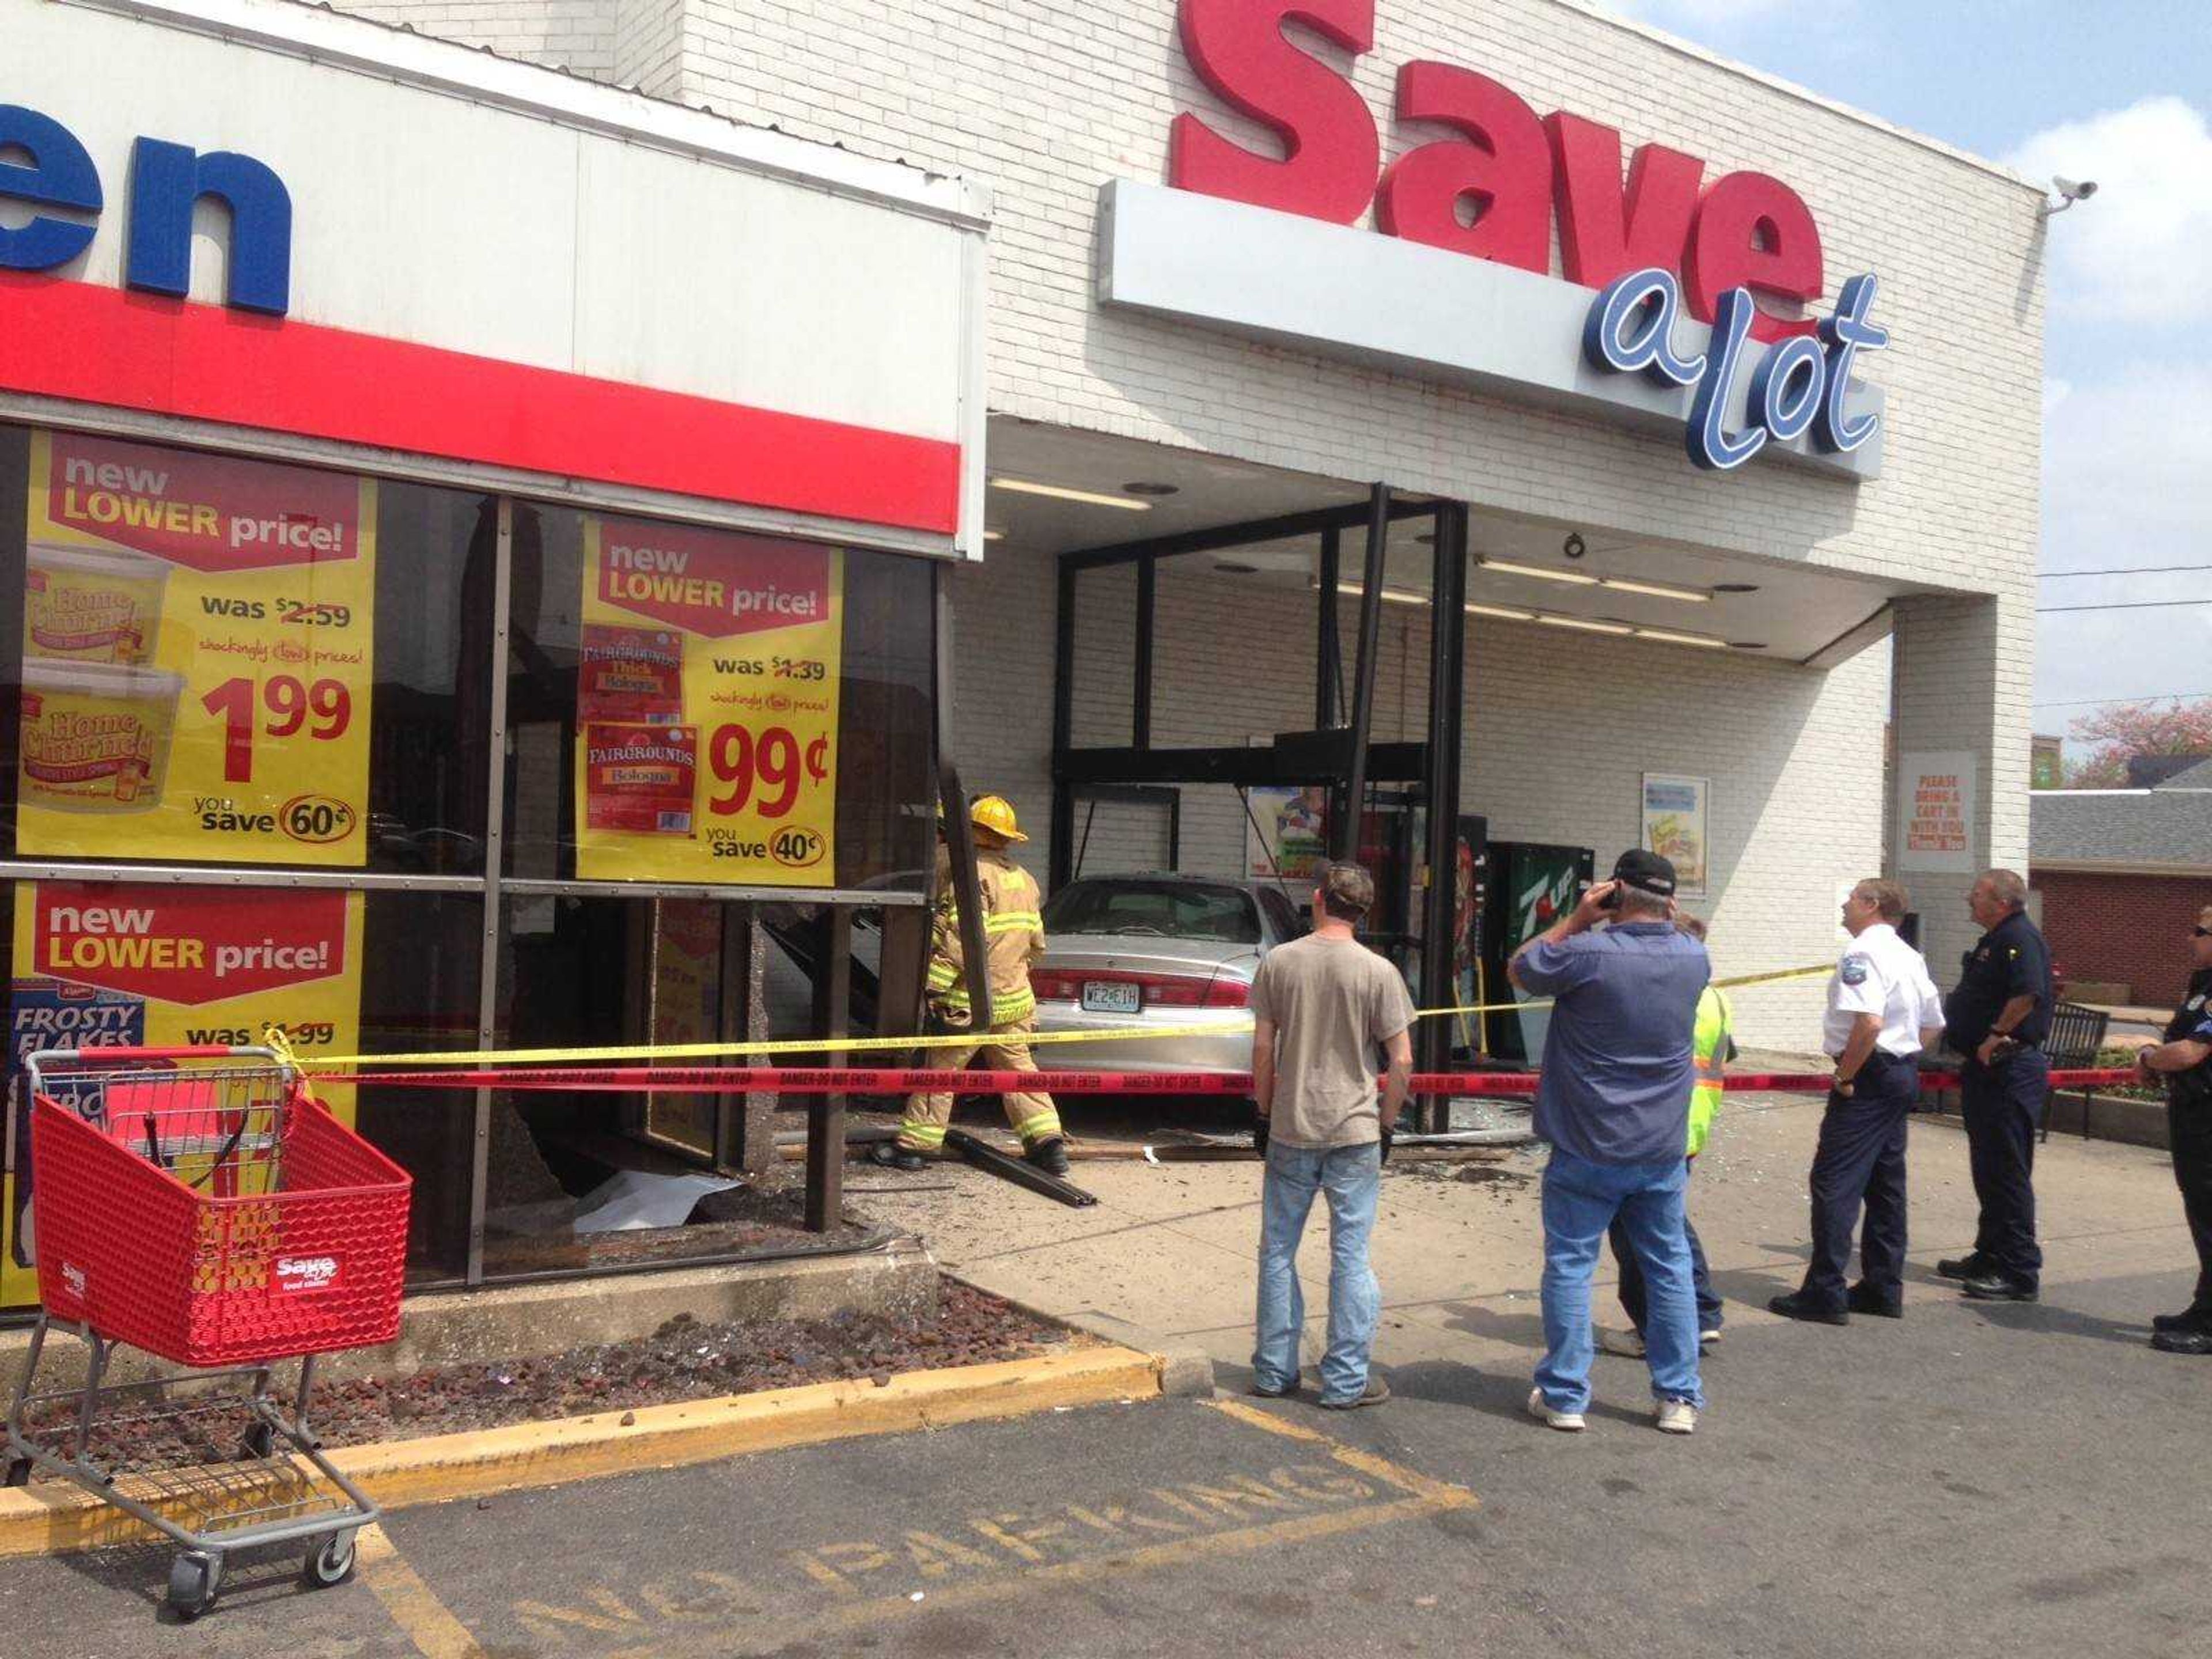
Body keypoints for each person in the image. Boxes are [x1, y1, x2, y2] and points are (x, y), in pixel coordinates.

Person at [1509, 849, 1710, 1436]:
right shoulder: (1695, 957)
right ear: (1671, 902)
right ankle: (1678, 1397)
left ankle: (1566, 1393)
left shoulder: (1587, 952)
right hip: (1659, 1146)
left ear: (1614, 895)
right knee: (1667, 1268)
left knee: (1572, 1266)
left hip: (1587, 1140)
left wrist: (1575, 920)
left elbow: (1520, 969)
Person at [1248, 861, 1414, 1410]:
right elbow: (1402, 1059)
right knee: (1351, 1257)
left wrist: (1264, 1112)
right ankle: (1345, 1381)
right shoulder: (1378, 972)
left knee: (1278, 1252)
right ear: (1363, 914)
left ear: (1319, 899)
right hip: (1355, 1131)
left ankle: (1274, 1371)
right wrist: (1387, 1123)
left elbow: (1264, 1049)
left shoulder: (1280, 962)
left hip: (1293, 1127)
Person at [1770, 878, 1945, 1325]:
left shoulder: (1861, 953)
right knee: (1886, 1186)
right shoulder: (1908, 954)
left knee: (1835, 1183)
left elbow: (1868, 1023)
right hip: (1900, 1070)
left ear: (1871, 905)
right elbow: (1931, 1024)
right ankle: (1883, 1287)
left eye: (1851, 898)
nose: (1844, 905)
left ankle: (1824, 1291)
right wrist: (1901, 1055)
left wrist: (1847, 1074)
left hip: (1868, 1075)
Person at [875, 796, 1069, 1175]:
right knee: (1019, 1074)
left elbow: (962, 939)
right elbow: (1037, 945)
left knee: (940, 1074)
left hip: (969, 1001)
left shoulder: (970, 877)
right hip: (1015, 1001)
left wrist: (932, 986)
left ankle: (915, 1148)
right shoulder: (1024, 880)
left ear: (969, 832)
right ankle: (1049, 1147)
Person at [1597, 914, 1729, 1359]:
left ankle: (1654, 1326)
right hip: (1690, 1122)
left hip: (1655, 1121)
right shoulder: (1714, 996)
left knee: (1638, 1232)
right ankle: (1703, 1311)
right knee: (1668, 1224)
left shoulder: (1676, 992)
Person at [1937, 868, 2054, 1302]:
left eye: (1978, 895)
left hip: (2010, 1068)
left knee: (2007, 1171)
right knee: (1987, 1168)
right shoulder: (1997, 938)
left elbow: (2029, 995)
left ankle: (2020, 1270)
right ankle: (1989, 1254)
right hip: (1988, 1072)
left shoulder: (2020, 938)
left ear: (2002, 902)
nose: (1970, 900)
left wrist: (1993, 1037)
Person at [2134, 903, 2212, 1355]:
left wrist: (2149, 1058)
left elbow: (2191, 1052)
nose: (2190, 938)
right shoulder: (2202, 983)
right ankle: (2204, 1306)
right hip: (2194, 1114)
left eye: (2199, 931)